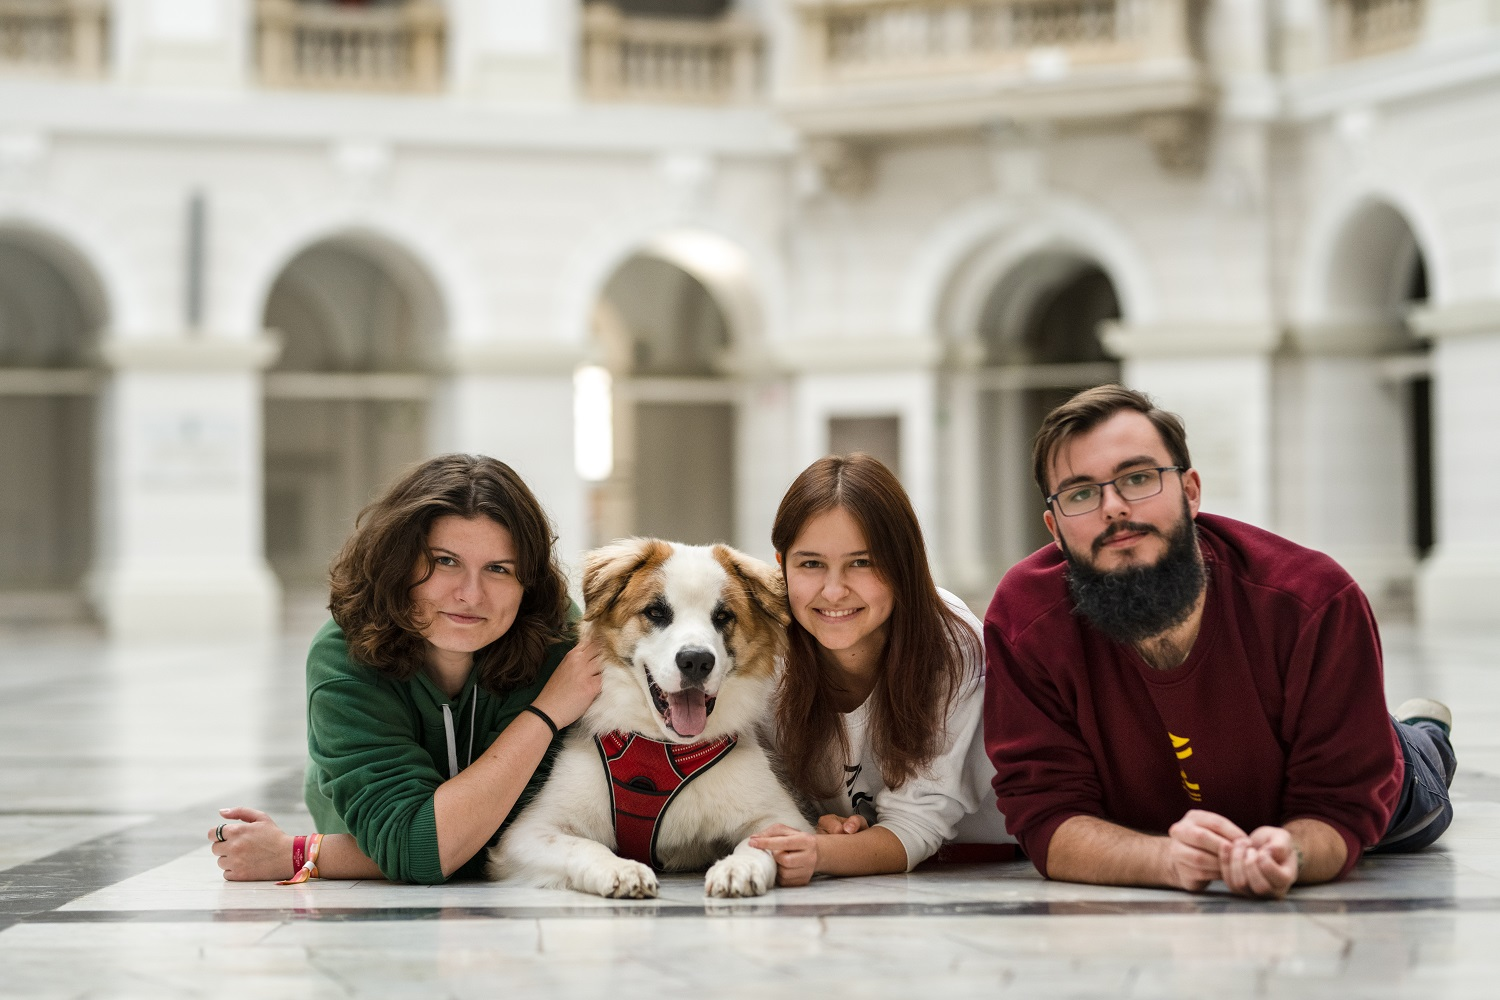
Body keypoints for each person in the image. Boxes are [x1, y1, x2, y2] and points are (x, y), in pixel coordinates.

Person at [983, 384, 1456, 899]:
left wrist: (1288, 856)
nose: (1113, 508)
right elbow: (1046, 818)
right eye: (1080, 493)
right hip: (1179, 806)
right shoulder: (1022, 619)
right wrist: (1167, 859)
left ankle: (1425, 733)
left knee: (1414, 764)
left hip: (1374, 789)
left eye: (1138, 478)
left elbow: (1341, 807)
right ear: (1054, 528)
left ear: (1190, 491)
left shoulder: (1312, 599)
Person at [209, 454, 603, 884]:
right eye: (445, 561)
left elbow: (514, 835)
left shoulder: (554, 638)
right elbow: (422, 850)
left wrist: (301, 854)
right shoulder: (343, 655)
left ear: (526, 584)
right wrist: (545, 714)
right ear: (399, 562)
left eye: (498, 569)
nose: (470, 595)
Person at [749, 454, 1014, 884]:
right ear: (781, 565)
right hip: (859, 870)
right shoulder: (763, 652)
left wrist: (823, 851)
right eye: (811, 564)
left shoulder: (952, 644)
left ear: (901, 565)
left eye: (862, 562)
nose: (833, 591)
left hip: (978, 871)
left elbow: (916, 828)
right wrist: (823, 830)